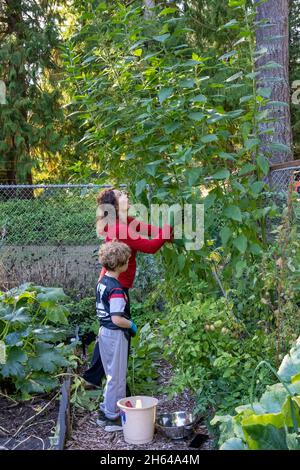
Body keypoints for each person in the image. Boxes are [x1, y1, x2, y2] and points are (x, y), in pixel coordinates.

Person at [82, 188, 173, 387]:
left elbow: (148, 229)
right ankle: (115, 378)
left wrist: (165, 233)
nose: (126, 195)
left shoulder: (124, 222)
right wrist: (167, 232)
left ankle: (93, 378)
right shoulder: (119, 228)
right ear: (115, 204)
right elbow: (150, 247)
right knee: (120, 329)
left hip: (111, 282)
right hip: (116, 287)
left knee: (108, 327)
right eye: (121, 194)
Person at [95, 241, 136, 432]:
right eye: (128, 260)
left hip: (103, 333)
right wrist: (131, 325)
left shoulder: (103, 283)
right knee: (117, 377)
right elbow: (118, 319)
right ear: (121, 265)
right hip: (115, 334)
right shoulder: (117, 290)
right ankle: (113, 418)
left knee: (112, 375)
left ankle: (106, 411)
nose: (129, 262)